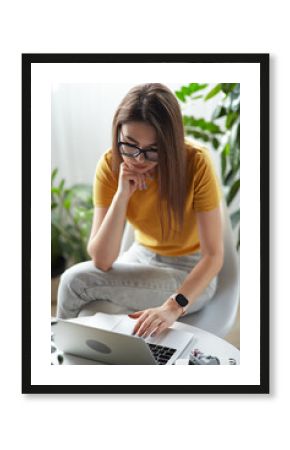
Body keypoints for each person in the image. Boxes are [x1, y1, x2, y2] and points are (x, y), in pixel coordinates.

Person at [57, 83, 224, 339]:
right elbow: (102, 260)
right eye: (129, 145)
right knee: (84, 290)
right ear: (118, 135)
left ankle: (56, 353)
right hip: (140, 255)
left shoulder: (196, 163)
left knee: (74, 281)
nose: (138, 159)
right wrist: (122, 196)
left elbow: (213, 256)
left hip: (190, 270)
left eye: (153, 150)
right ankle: (70, 354)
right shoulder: (110, 166)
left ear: (170, 144)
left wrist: (173, 306)